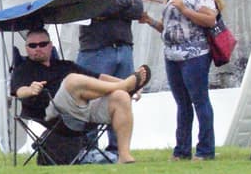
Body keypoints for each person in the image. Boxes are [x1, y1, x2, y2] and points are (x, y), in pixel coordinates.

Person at [9, 28, 150, 164]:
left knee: (121, 97)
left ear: (51, 46)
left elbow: (99, 77)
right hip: (55, 114)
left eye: (42, 44)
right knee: (72, 80)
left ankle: (124, 155)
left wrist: (129, 85)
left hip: (81, 110)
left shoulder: (65, 65)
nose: (37, 48)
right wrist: (30, 90)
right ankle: (124, 86)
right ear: (26, 48)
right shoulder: (23, 69)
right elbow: (18, 91)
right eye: (32, 46)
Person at [143, 0, 221, 161]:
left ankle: (205, 150)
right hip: (172, 55)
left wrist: (185, 9)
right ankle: (182, 150)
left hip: (195, 54)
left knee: (199, 100)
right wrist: (150, 21)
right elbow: (169, 28)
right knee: (182, 103)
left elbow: (209, 20)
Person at [76, 0, 144, 152]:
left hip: (123, 49)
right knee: (90, 98)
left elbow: (137, 10)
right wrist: (121, 4)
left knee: (123, 97)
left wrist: (112, 7)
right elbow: (94, 7)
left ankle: (118, 149)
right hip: (95, 50)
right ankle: (89, 149)